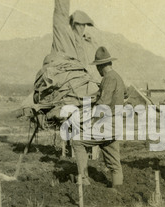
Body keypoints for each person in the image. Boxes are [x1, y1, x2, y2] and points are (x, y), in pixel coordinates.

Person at [71, 46, 124, 187]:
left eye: (97, 67)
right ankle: (118, 192)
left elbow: (103, 104)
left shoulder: (109, 78)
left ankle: (83, 180)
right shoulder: (117, 77)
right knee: (114, 164)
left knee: (77, 141)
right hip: (115, 126)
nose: (97, 70)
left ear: (101, 66)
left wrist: (89, 122)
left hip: (106, 126)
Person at [51, 0, 99, 81]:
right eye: (79, 25)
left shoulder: (84, 41)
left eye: (83, 25)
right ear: (73, 24)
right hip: (67, 74)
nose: (82, 27)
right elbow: (60, 15)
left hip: (80, 76)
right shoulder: (66, 38)